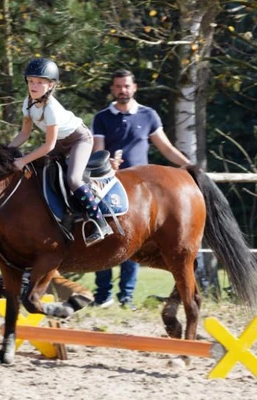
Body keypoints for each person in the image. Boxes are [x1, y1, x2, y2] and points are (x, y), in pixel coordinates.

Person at [91, 69, 190, 309]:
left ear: (134, 87)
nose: (122, 90)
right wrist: (107, 163)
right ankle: (103, 296)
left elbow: (165, 148)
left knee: (133, 241)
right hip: (110, 183)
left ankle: (126, 297)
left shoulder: (149, 115)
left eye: (126, 86)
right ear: (112, 89)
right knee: (102, 235)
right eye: (117, 86)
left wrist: (188, 166)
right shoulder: (102, 117)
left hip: (143, 190)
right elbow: (97, 151)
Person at [8, 57, 112, 246]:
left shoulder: (51, 109)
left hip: (79, 140)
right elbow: (24, 134)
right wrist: (5, 151)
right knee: (39, 170)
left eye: (40, 82)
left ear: (50, 85)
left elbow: (48, 146)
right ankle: (62, 215)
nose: (34, 85)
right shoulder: (27, 103)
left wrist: (22, 160)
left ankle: (100, 222)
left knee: (73, 179)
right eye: (31, 81)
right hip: (59, 143)